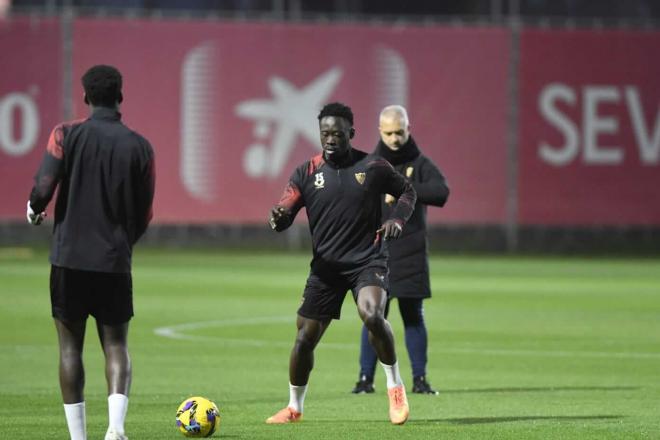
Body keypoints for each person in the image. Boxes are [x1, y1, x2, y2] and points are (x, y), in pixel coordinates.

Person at [266, 102, 417, 425]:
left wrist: (398, 221)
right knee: (304, 339)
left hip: (368, 260)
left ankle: (395, 387)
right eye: (325, 134)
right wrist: (277, 219)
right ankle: (294, 407)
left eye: (337, 133)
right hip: (326, 269)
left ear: (351, 133)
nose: (330, 139)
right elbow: (283, 214)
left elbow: (407, 192)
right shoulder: (306, 172)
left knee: (372, 315)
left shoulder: (373, 166)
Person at [27, 65, 155, 440]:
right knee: (116, 345)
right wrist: (124, 243)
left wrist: (35, 208)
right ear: (121, 97)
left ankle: (78, 437)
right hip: (114, 260)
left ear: (85, 97)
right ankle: (115, 429)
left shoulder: (66, 134)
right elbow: (145, 210)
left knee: (70, 349)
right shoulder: (139, 146)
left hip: (68, 258)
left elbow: (44, 185)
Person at [352, 105, 449, 395]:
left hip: (411, 251)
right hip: (377, 251)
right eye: (389, 132)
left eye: (400, 132)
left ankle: (420, 379)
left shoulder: (419, 163)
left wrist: (403, 188)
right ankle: (364, 380)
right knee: (373, 316)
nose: (395, 138)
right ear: (380, 131)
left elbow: (441, 192)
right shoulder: (369, 164)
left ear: (409, 129)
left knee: (413, 315)